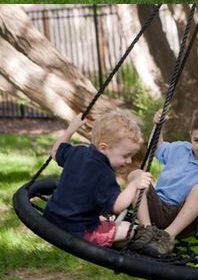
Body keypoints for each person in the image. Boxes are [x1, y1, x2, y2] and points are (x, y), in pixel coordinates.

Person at [43, 109, 174, 257]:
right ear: (103, 147)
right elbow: (117, 206)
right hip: (78, 231)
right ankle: (127, 243)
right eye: (125, 156)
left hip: (52, 217)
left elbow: (55, 152)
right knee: (128, 229)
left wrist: (70, 130)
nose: (129, 161)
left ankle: (112, 238)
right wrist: (134, 185)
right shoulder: (104, 173)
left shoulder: (77, 151)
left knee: (103, 219)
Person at [128, 107, 198, 241]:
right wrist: (157, 125)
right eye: (197, 140)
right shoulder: (179, 149)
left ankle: (167, 237)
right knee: (137, 175)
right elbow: (156, 147)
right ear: (191, 136)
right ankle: (146, 230)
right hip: (155, 208)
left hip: (185, 220)